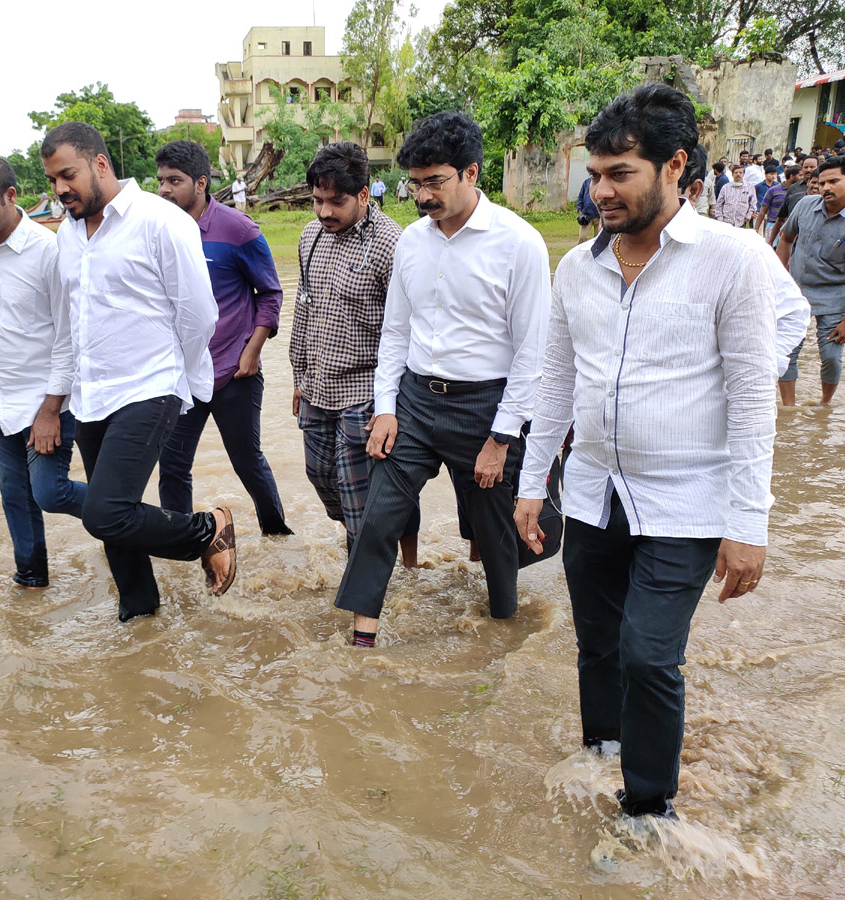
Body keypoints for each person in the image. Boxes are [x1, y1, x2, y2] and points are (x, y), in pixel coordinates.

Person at [514, 84, 776, 822]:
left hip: (686, 499)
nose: (600, 190)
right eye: (594, 173)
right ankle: (601, 752)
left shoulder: (734, 261)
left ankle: (649, 811)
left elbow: (756, 399)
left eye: (619, 172)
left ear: (675, 166)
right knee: (596, 642)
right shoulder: (577, 268)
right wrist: (534, 483)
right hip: (593, 489)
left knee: (649, 654)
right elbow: (557, 380)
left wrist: (747, 523)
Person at [334, 111, 550, 647]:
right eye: (416, 183)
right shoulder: (411, 241)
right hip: (414, 402)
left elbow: (531, 354)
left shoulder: (519, 244)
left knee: (496, 534)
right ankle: (362, 639)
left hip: (485, 408)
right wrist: (386, 407)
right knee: (379, 517)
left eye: (436, 181)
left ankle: (502, 635)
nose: (424, 195)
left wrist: (501, 438)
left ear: (471, 173)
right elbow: (396, 333)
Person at [40, 122, 235, 623]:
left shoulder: (160, 221)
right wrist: (57, 397)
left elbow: (198, 316)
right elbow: (67, 325)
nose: (61, 189)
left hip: (149, 386)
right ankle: (140, 617)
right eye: (53, 179)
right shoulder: (66, 233)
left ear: (100, 164)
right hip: (90, 394)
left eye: (68, 175)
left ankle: (206, 528)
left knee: (104, 512)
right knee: (115, 520)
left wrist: (175, 376)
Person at [0, 154, 86, 589]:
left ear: (10, 196)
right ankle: (31, 579)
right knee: (14, 497)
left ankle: (142, 518)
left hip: (45, 401)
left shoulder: (48, 252)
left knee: (50, 492)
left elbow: (68, 337)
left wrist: (50, 410)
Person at [289, 142, 420, 570]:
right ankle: (383, 533)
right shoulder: (311, 237)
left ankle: (363, 590)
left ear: (364, 195)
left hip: (365, 391)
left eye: (336, 201)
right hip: (317, 387)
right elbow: (303, 308)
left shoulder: (392, 245)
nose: (324, 212)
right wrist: (298, 375)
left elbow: (407, 331)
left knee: (358, 503)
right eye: (317, 200)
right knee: (320, 477)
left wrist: (395, 405)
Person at [154, 141, 293, 536]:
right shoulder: (158, 231)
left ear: (200, 183)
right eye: (161, 180)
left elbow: (270, 293)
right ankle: (179, 540)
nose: (164, 189)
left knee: (247, 460)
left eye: (174, 181)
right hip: (181, 376)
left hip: (234, 372)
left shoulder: (238, 229)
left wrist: (252, 352)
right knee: (174, 466)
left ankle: (276, 533)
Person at [682, 146, 810, 397]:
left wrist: (750, 378)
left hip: (742, 226)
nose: (604, 192)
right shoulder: (587, 259)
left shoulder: (744, 249)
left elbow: (793, 313)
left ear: (691, 190)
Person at [777, 157, 845, 405]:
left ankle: (825, 404)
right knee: (787, 350)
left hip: (836, 297)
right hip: (796, 291)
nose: (826, 187)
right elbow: (786, 239)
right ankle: (788, 408)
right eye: (822, 182)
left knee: (831, 356)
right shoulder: (805, 205)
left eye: (834, 181)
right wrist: (780, 277)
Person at [772, 154, 823, 236]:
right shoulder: (793, 188)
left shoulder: (824, 189)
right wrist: (771, 241)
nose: (808, 170)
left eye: (812, 167)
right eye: (806, 167)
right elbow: (781, 218)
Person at [756, 165, 798, 243]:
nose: (803, 178)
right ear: (792, 176)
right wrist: (756, 229)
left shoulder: (800, 191)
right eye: (800, 175)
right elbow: (762, 211)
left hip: (791, 227)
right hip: (772, 224)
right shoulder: (773, 190)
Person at [577, 175, 600, 241]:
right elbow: (580, 197)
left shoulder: (602, 182)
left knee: (598, 240)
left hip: (599, 216)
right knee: (582, 238)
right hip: (586, 215)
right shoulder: (587, 182)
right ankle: (582, 251)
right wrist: (579, 210)